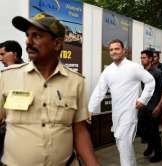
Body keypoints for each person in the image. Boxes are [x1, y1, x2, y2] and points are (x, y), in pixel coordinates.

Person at [0, 12, 99, 166]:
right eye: (28, 35)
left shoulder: (76, 81)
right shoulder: (7, 77)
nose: (28, 41)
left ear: (57, 44)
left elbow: (80, 130)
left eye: (37, 36)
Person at [88, 39, 155, 166]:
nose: (114, 52)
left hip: (129, 113)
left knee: (123, 143)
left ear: (123, 51)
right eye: (111, 49)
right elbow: (99, 90)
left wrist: (143, 99)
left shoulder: (134, 67)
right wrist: (90, 108)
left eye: (117, 49)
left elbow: (150, 81)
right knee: (122, 144)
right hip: (116, 114)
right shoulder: (108, 71)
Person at [138, 49, 162, 162]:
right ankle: (151, 145)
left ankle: (159, 154)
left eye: (144, 57)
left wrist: (159, 107)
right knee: (142, 130)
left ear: (150, 59)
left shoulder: (158, 73)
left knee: (153, 131)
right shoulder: (143, 72)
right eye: (141, 57)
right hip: (145, 107)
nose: (142, 59)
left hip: (154, 107)